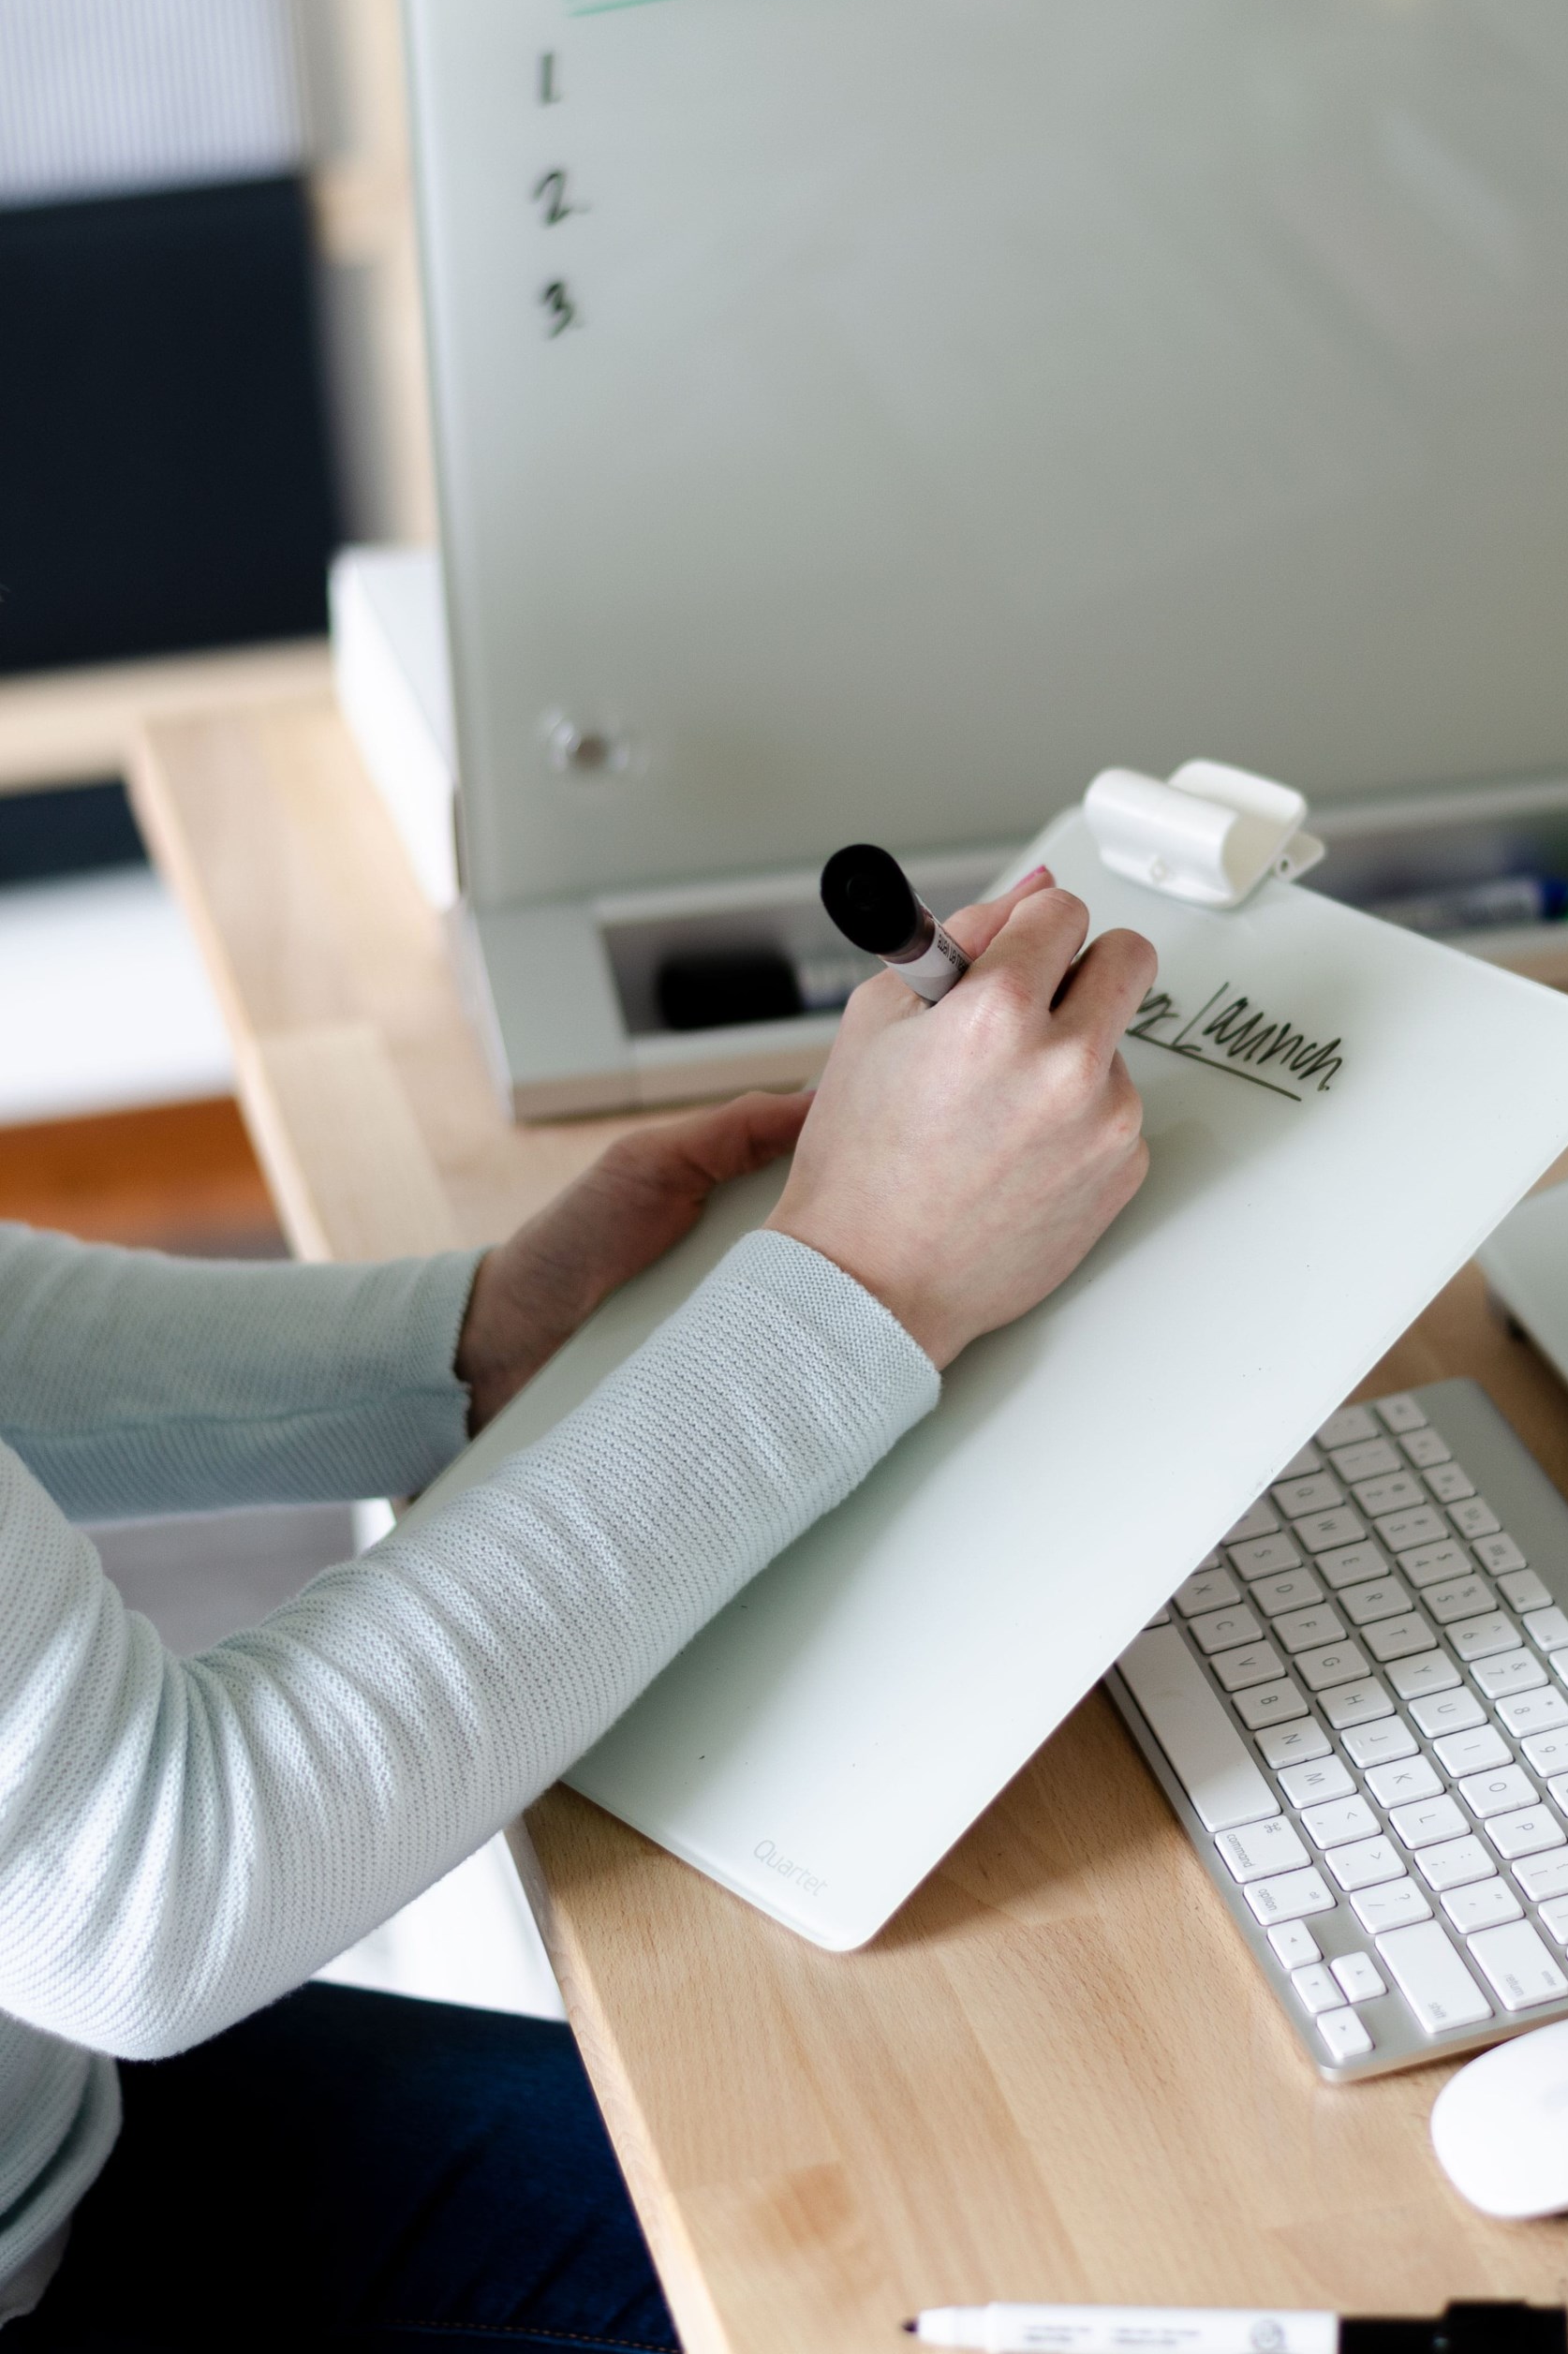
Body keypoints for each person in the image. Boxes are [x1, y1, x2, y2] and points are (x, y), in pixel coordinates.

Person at [0, 868, 1154, 2352]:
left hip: (53, 2128)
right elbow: (152, 1894)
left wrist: (467, 1346)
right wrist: (866, 1285)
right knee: (1021, 2260)